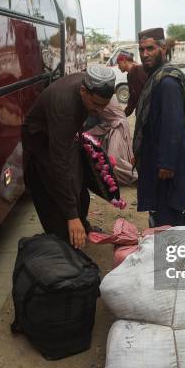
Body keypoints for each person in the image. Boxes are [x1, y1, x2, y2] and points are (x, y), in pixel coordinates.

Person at [22, 65, 115, 249]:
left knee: (79, 186)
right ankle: (65, 242)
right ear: (83, 91)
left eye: (104, 105)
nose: (98, 110)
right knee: (55, 193)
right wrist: (71, 216)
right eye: (95, 105)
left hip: (64, 136)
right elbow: (60, 163)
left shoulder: (87, 86)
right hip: (42, 142)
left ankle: (83, 225)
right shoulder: (65, 107)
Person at [133, 27, 185, 227]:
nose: (145, 54)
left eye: (150, 48)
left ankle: (171, 255)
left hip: (167, 161)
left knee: (169, 214)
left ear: (163, 49)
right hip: (158, 155)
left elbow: (173, 123)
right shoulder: (157, 76)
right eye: (142, 50)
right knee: (160, 210)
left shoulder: (167, 81)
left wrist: (167, 163)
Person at [85, 97, 138, 185]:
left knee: (114, 160)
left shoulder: (102, 96)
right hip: (107, 126)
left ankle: (136, 177)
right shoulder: (99, 95)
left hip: (118, 126)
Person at [116, 49, 148, 117]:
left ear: (124, 61)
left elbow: (135, 97)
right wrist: (125, 114)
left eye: (119, 64)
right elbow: (132, 97)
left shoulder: (137, 70)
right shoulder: (132, 72)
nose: (118, 67)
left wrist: (124, 114)